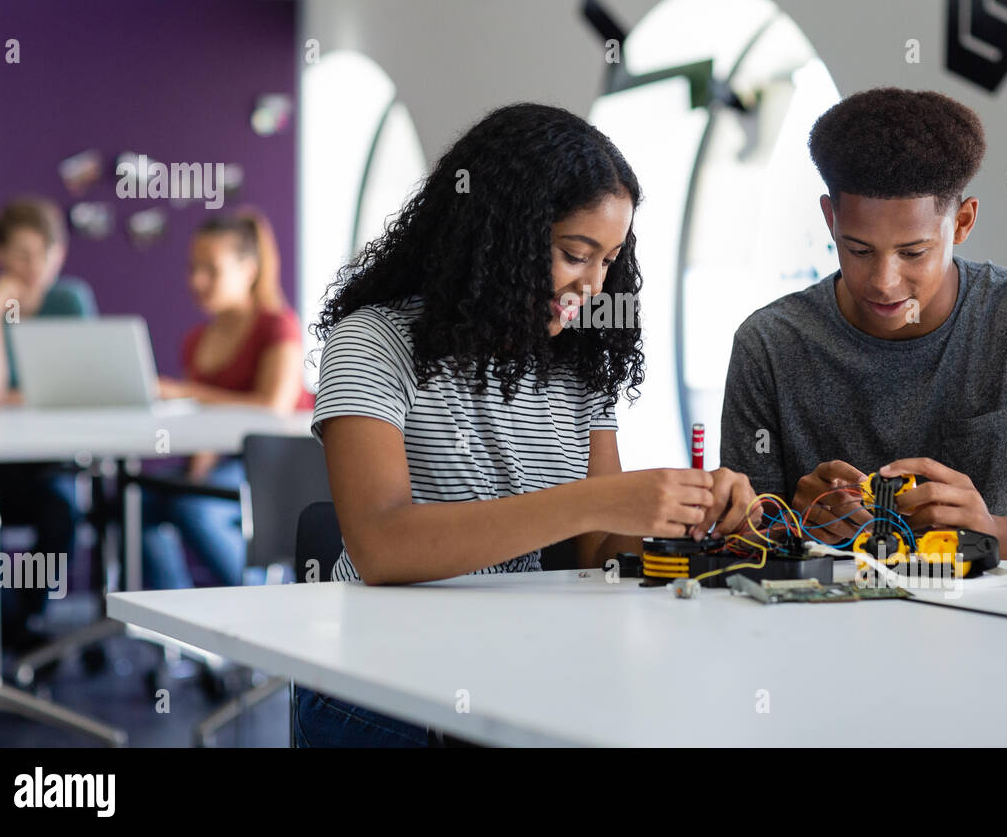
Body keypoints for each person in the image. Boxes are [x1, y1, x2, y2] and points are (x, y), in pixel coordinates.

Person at [294, 103, 759, 747]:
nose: (593, 286)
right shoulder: (373, 342)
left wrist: (685, 520)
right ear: (498, 236)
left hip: (523, 659)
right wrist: (599, 500)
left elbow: (597, 552)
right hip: (381, 682)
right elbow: (382, 546)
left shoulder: (579, 366)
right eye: (575, 253)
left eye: (609, 261)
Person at [720, 87, 1007, 562]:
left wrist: (992, 532)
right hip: (820, 629)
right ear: (829, 218)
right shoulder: (770, 345)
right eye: (858, 249)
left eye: (913, 252)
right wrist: (794, 526)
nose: (884, 281)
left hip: (1000, 628)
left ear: (962, 223)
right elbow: (736, 541)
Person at [141, 209, 312, 591]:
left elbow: (273, 408)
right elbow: (205, 420)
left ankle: (266, 606)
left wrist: (185, 392)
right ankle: (178, 620)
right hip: (226, 461)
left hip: (277, 466)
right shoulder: (196, 339)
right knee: (138, 503)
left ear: (248, 269)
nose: (197, 281)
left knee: (193, 507)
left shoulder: (278, 325)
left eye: (211, 270)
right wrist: (200, 460)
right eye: (192, 269)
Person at [0, 198, 96, 676]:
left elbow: (79, 385)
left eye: (45, 253)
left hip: (45, 464)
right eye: (21, 254)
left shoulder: (70, 301)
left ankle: (20, 621)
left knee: (61, 514)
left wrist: (11, 395)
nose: (34, 267)